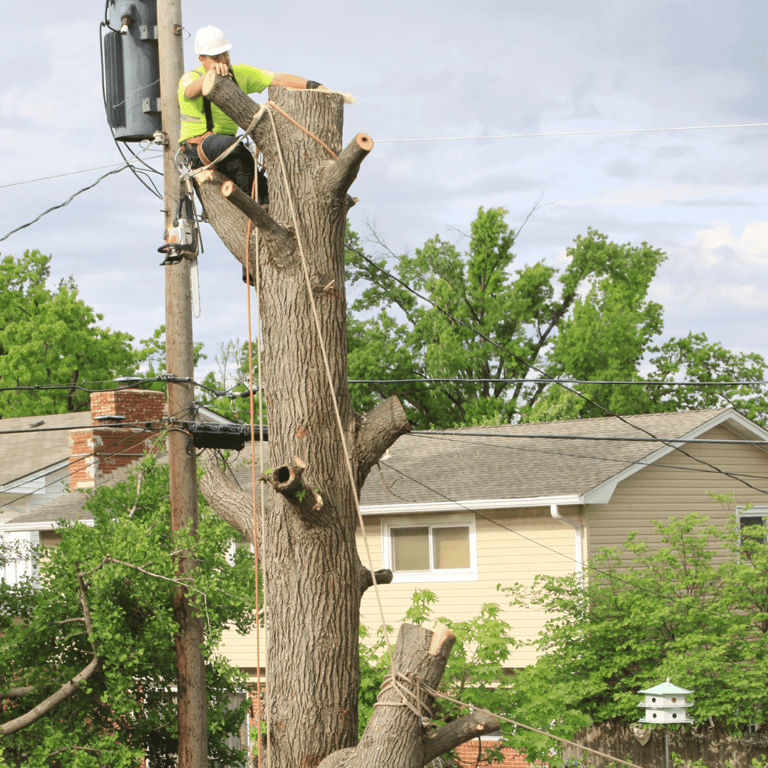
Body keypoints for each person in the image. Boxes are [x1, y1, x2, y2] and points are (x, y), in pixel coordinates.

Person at [178, 25, 326, 201]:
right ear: (202, 59)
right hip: (197, 150)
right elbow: (189, 91)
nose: (223, 61)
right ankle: (260, 200)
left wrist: (314, 85)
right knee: (231, 147)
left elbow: (276, 78)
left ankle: (273, 196)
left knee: (237, 152)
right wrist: (210, 77)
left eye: (225, 54)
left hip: (224, 147)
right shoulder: (190, 78)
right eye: (216, 57)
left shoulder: (239, 73)